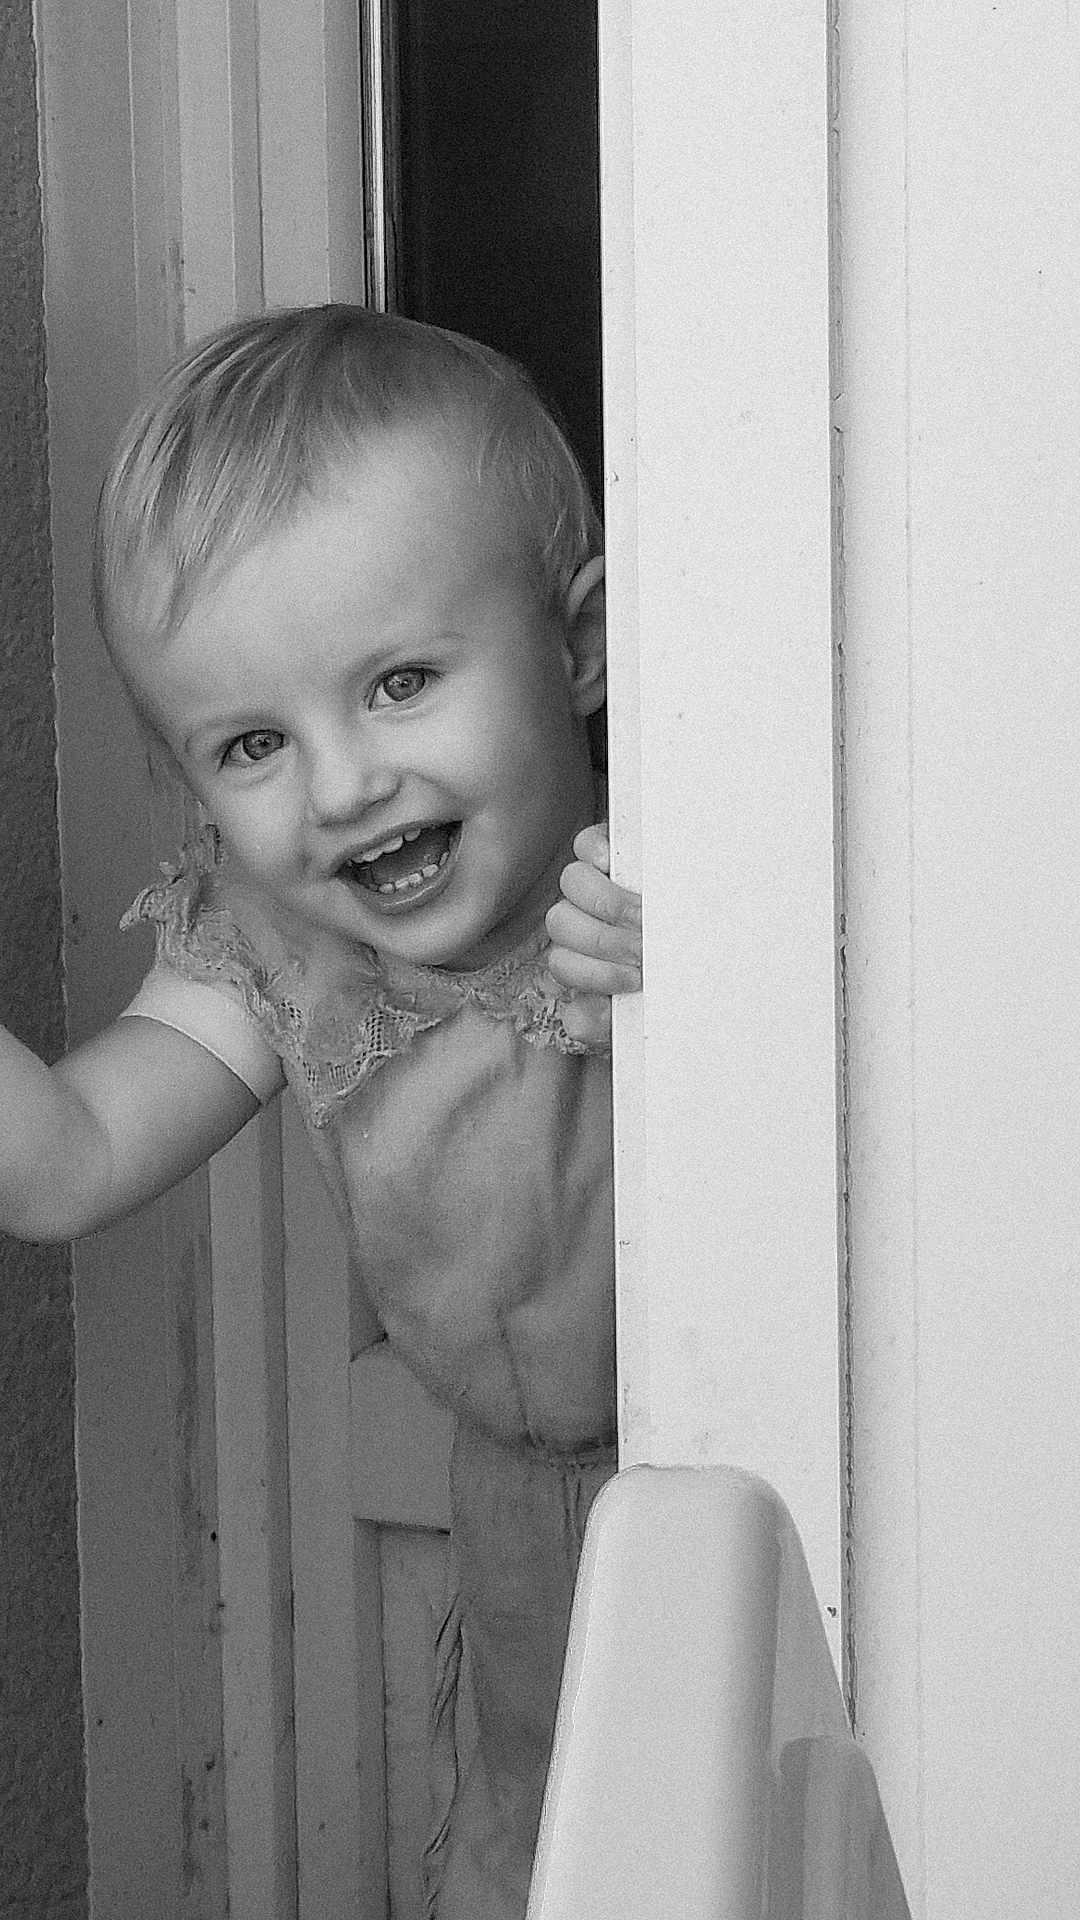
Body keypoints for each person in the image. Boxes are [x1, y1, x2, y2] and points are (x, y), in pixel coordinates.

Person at [0, 306, 641, 1918]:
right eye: (256, 743)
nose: (344, 784)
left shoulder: (669, 862)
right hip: (521, 1515)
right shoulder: (283, 940)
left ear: (578, 645)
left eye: (404, 681)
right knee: (535, 1859)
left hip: (749, 1464)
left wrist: (705, 951)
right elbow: (67, 1162)